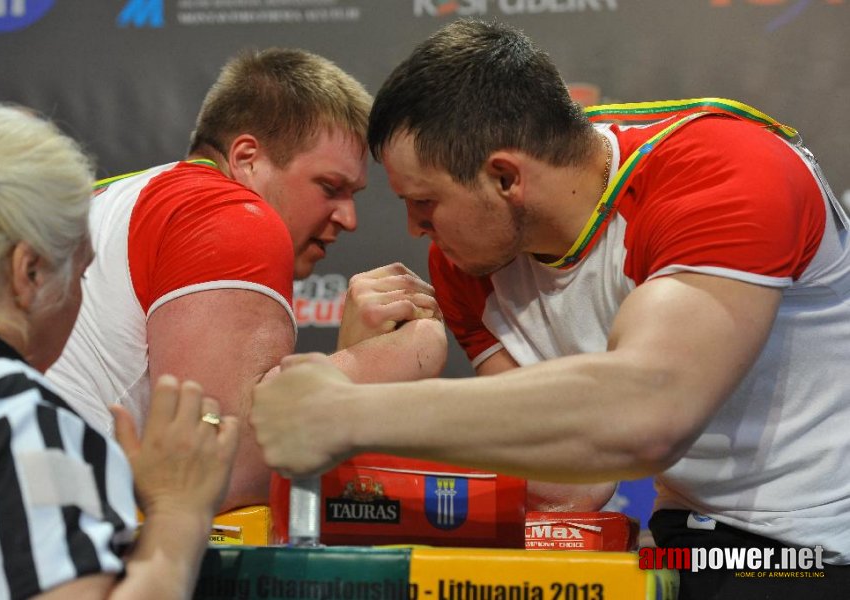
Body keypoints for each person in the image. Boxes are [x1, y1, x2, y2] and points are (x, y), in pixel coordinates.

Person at [250, 19, 850, 598]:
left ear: (506, 178)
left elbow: (650, 411)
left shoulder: (725, 170)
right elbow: (571, 487)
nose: (414, 229)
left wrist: (349, 413)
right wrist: (367, 367)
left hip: (812, 545)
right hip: (680, 541)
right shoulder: (469, 265)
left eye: (426, 203)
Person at [46, 48, 447, 512]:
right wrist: (401, 355)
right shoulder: (229, 211)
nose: (349, 218)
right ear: (247, 158)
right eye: (329, 187)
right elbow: (225, 475)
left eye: (353, 195)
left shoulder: (118, 194)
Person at [0, 104, 238, 599]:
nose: (80, 296)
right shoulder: (10, 416)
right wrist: (178, 511)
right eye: (80, 273)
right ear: (30, 272)